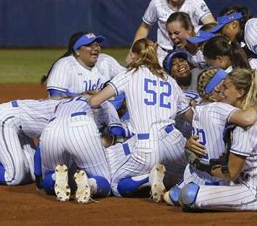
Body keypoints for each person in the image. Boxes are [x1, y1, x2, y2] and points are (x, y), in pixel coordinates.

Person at [89, 38, 189, 202]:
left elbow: (95, 101)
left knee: (116, 183)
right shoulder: (169, 79)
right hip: (175, 143)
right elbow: (189, 115)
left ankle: (146, 179)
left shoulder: (129, 74)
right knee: (177, 179)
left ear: (134, 55)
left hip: (147, 146)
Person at [176, 68, 257, 212]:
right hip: (251, 182)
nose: (220, 89)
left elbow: (231, 173)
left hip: (256, 192)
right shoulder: (244, 116)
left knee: (189, 194)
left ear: (240, 93)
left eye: (225, 87)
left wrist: (199, 164)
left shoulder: (244, 128)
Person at [133, 0, 215, 63]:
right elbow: (145, 27)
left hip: (189, 55)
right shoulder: (157, 2)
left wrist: (196, 43)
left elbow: (212, 26)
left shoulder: (194, 0)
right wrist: (134, 51)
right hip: (163, 55)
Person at [40, 94, 112, 203]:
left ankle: (55, 177)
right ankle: (90, 184)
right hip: (81, 126)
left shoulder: (61, 104)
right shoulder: (100, 100)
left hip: (51, 129)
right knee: (104, 180)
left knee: (49, 175)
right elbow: (116, 132)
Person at [41, 32, 124, 97]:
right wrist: (85, 97)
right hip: (70, 114)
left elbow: (129, 78)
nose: (95, 48)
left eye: (97, 45)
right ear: (77, 51)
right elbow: (55, 95)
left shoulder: (106, 60)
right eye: (89, 45)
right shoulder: (65, 65)